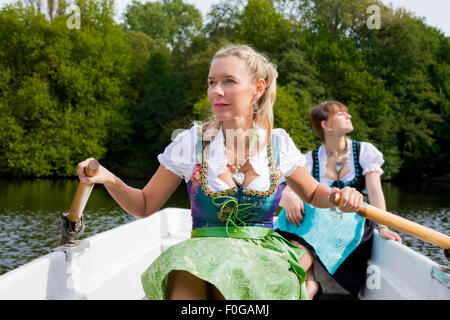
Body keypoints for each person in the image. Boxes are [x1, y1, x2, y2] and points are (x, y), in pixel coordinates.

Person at [76, 46, 364, 300]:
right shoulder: (191, 142)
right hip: (202, 255)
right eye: (212, 82)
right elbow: (144, 205)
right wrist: (108, 178)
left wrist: (340, 196)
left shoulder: (278, 143)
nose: (217, 91)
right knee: (185, 269)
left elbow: (313, 193)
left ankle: (306, 286)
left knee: (228, 276)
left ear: (258, 89)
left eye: (229, 82)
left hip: (259, 258)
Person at [275, 101, 402, 299]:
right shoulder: (310, 159)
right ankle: (308, 284)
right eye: (341, 113)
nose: (349, 116)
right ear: (326, 125)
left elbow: (376, 192)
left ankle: (289, 285)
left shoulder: (364, 152)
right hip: (319, 218)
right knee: (303, 210)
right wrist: (290, 197)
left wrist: (384, 226)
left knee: (315, 213)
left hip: (354, 218)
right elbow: (285, 190)